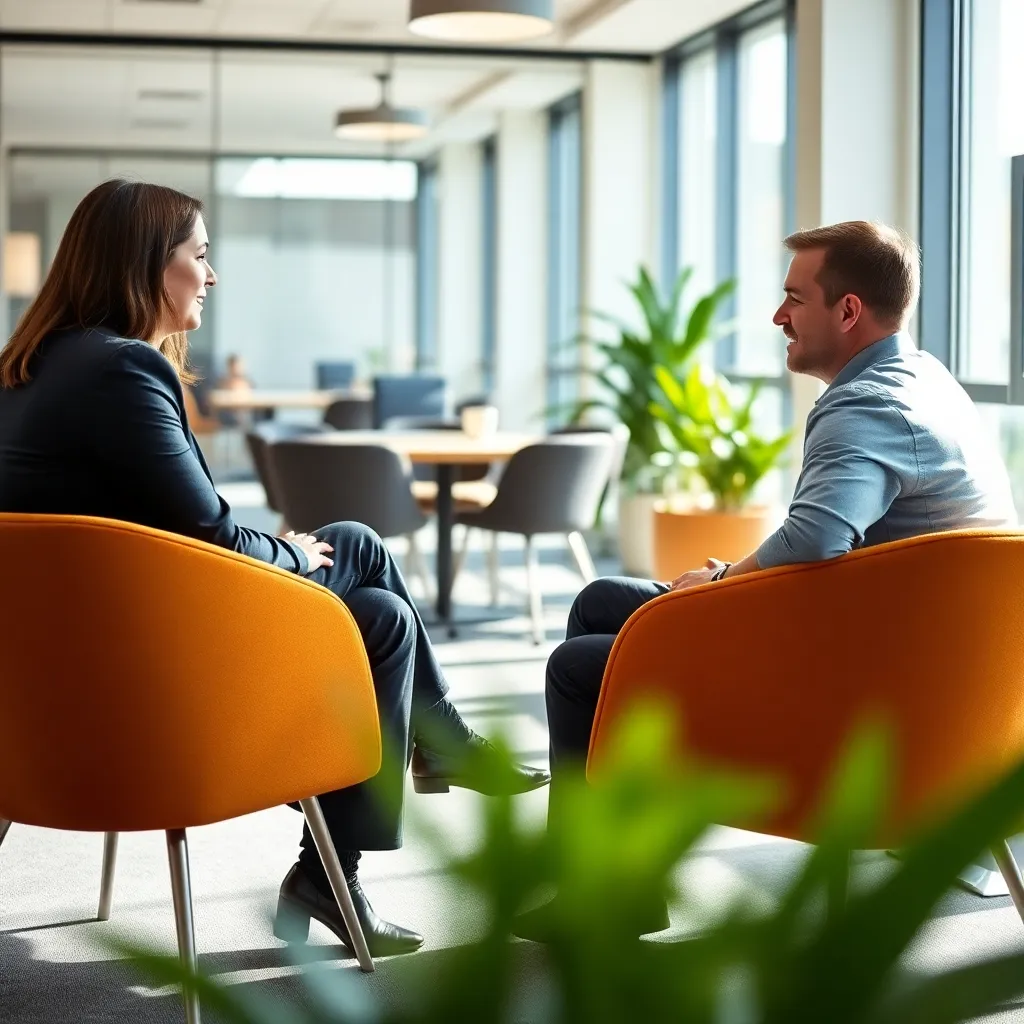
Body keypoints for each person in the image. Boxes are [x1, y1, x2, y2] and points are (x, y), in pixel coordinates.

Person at [0, 179, 549, 957]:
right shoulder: (122, 372)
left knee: (381, 616)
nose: (212, 276)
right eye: (201, 255)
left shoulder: (27, 367)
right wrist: (294, 552)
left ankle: (393, 801)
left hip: (47, 692)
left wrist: (281, 551)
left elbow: (162, 531)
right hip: (154, 695)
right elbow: (212, 536)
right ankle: (421, 767)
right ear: (150, 265)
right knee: (359, 551)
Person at [513, 220, 1018, 941]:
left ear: (847, 312)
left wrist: (720, 585)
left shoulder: (868, 405)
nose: (777, 316)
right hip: (936, 680)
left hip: (873, 704)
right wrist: (721, 583)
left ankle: (608, 895)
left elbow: (816, 539)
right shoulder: (925, 377)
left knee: (577, 669)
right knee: (602, 604)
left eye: (793, 298)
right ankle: (623, 879)